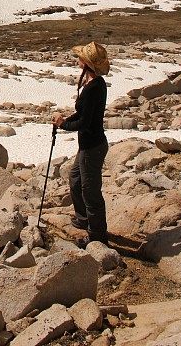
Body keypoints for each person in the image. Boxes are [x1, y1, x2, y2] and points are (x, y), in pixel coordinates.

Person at [52, 41, 110, 245]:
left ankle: (97, 235)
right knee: (76, 179)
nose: (78, 60)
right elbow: (86, 114)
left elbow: (84, 122)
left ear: (86, 63)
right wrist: (67, 119)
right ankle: (82, 218)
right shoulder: (97, 83)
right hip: (92, 143)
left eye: (81, 58)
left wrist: (62, 125)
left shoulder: (92, 87)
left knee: (90, 190)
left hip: (91, 146)